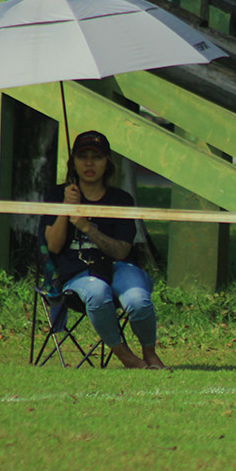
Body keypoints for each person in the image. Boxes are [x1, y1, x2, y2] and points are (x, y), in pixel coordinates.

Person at [41, 131, 165, 369]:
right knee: (97, 292)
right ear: (73, 163)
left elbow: (121, 252)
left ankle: (150, 354)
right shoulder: (57, 195)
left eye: (96, 157)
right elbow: (53, 246)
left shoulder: (121, 199)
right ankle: (126, 357)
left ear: (107, 163)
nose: (89, 163)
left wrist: (86, 227)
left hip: (118, 267)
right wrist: (66, 209)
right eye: (82, 157)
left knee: (138, 300)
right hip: (77, 274)